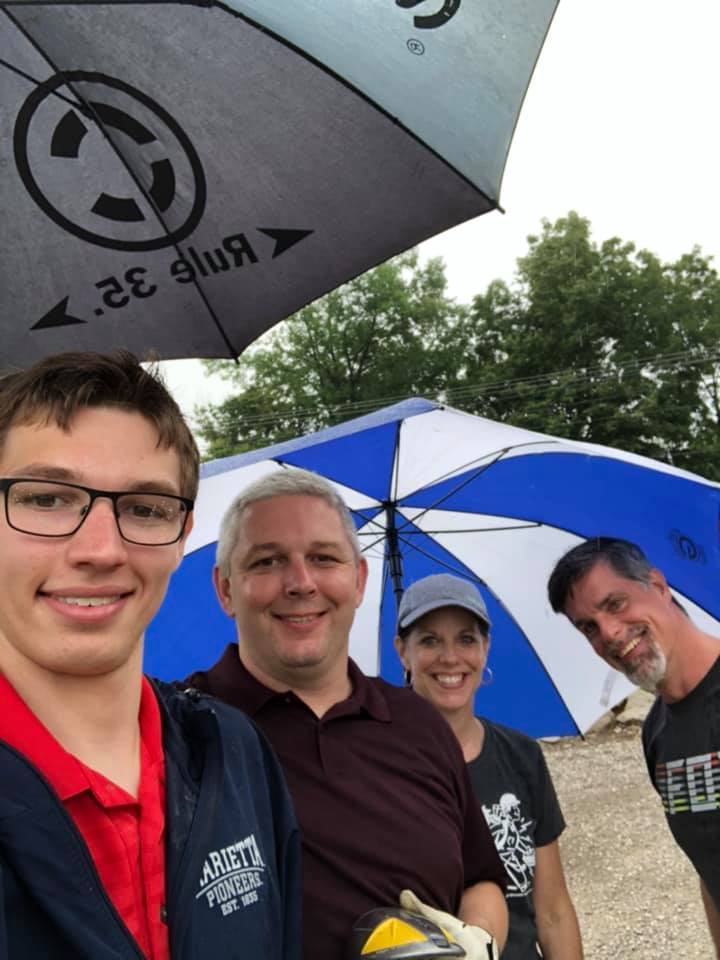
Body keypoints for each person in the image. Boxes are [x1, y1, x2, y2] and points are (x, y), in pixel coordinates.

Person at [0, 351, 301, 959]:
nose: (102, 550)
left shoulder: (234, 752)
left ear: (182, 536)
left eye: (145, 509)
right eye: (46, 499)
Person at [183, 468, 509, 960]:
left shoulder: (419, 723)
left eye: (323, 558)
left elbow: (481, 878)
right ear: (226, 589)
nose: (301, 582)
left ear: (358, 580)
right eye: (267, 561)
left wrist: (477, 942)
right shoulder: (179, 731)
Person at [394, 573, 583, 959]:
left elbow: (553, 912)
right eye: (429, 640)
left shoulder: (522, 755)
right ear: (402, 652)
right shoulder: (378, 761)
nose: (450, 658)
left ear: (486, 649)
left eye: (466, 639)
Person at [547, 536, 720, 956]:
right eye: (588, 627)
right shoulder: (657, 733)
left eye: (615, 603)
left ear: (658, 587)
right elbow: (710, 868)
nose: (608, 633)